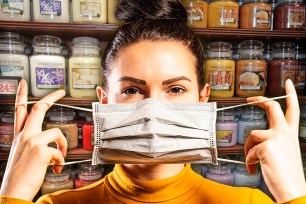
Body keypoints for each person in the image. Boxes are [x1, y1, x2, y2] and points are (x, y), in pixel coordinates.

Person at [1, 0, 306, 203]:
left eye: (175, 90)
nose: (152, 111)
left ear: (203, 99)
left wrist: (295, 195)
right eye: (132, 90)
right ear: (103, 101)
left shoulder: (250, 202)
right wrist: (14, 194)